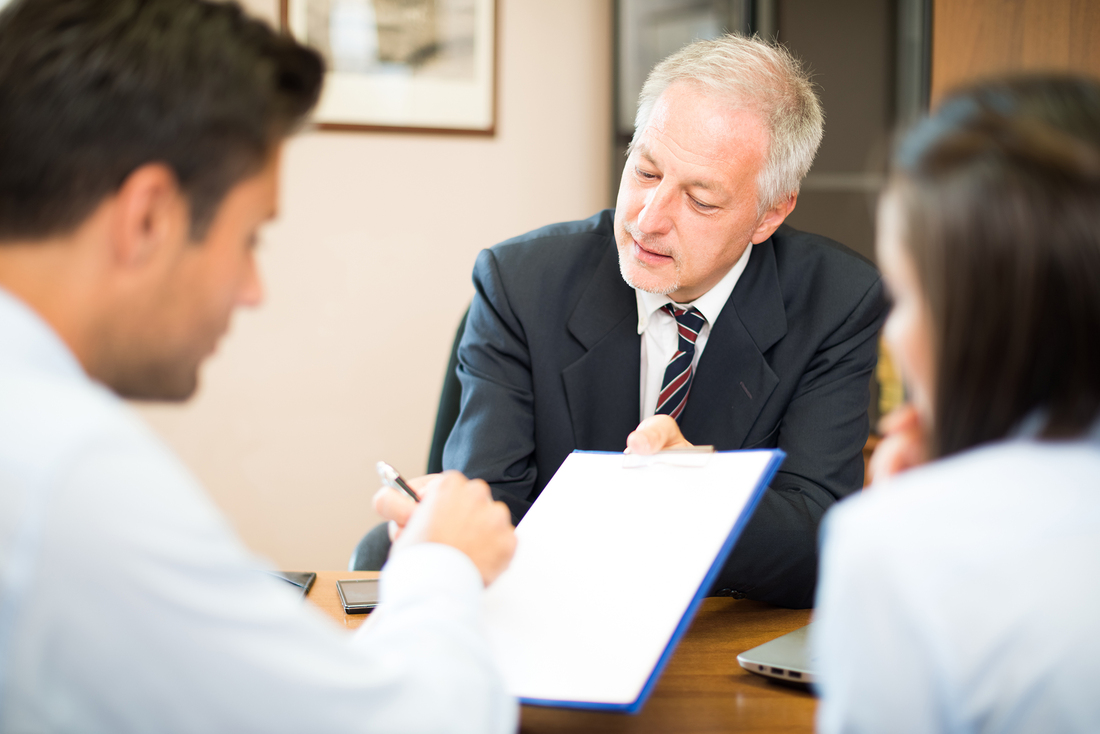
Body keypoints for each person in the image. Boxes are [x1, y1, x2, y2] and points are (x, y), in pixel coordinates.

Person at [0, 1, 517, 731]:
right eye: (250, 238)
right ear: (148, 218)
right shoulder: (72, 477)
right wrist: (444, 561)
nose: (254, 290)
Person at [361, 34, 886, 609]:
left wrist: (700, 494)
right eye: (646, 172)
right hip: (549, 614)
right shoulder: (520, 284)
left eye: (701, 200)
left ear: (771, 213)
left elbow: (820, 541)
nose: (648, 220)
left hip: (709, 635)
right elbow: (487, 515)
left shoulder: (837, 301)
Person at [809, 76, 1100, 732]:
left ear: (983, 315)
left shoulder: (900, 547)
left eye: (906, 296)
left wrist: (903, 521)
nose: (892, 333)